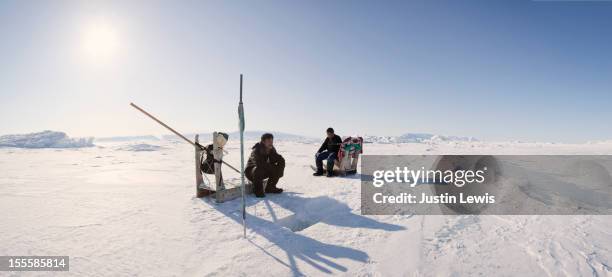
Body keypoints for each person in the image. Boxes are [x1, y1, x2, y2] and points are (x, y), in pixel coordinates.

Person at [245, 133, 285, 198]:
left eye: (271, 141)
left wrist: (279, 172)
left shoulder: (271, 149)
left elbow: (277, 159)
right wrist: (273, 168)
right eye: (268, 141)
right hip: (251, 172)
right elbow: (259, 163)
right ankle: (257, 190)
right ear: (263, 142)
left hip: (263, 170)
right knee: (259, 169)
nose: (271, 143)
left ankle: (270, 187)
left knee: (280, 162)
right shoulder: (256, 150)